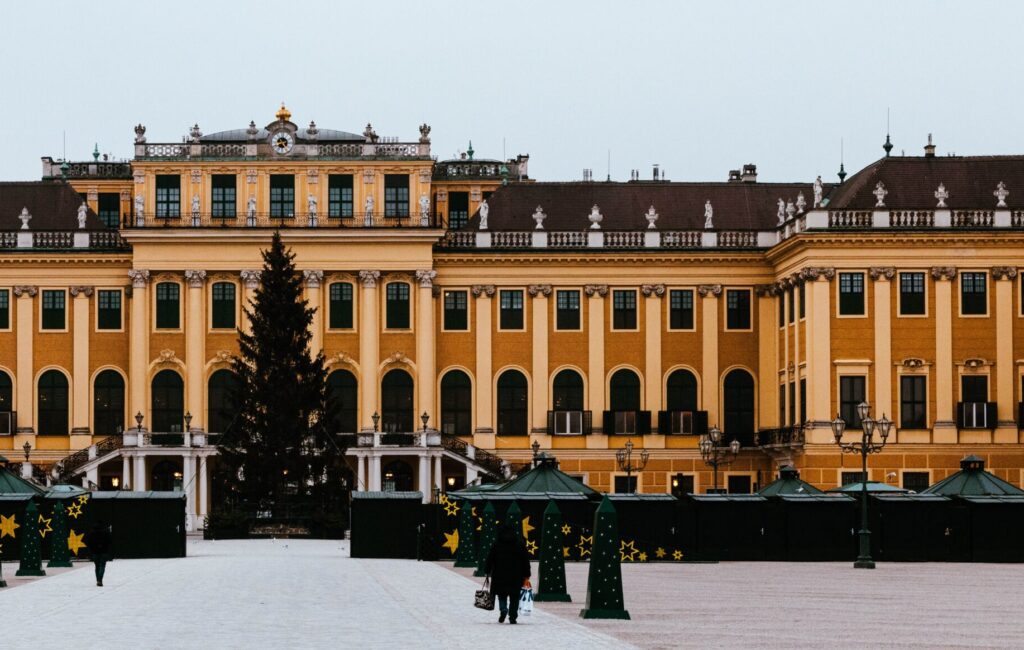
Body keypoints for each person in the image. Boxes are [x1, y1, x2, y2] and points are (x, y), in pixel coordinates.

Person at [484, 523, 531, 624]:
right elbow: (525, 560)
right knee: (514, 596)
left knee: (502, 594)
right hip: (516, 575)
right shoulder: (520, 544)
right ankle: (513, 616)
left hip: (499, 574)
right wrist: (527, 574)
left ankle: (503, 610)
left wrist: (487, 571)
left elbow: (490, 559)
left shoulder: (497, 544)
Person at [84, 521, 112, 587]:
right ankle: (100, 580)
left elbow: (88, 542)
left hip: (95, 552)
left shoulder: (91, 533)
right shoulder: (105, 533)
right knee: (102, 566)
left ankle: (98, 580)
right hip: (104, 551)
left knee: (97, 566)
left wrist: (92, 549)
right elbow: (109, 541)